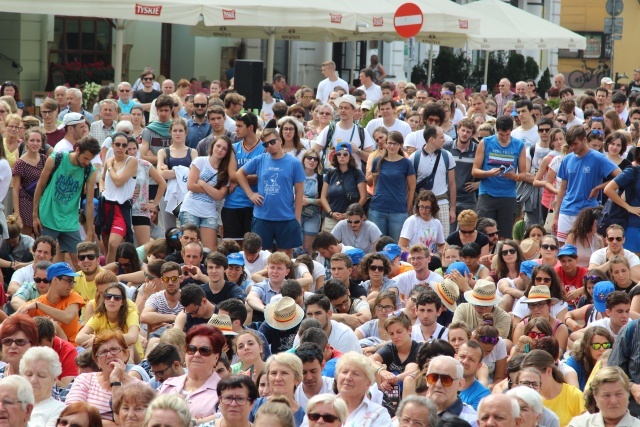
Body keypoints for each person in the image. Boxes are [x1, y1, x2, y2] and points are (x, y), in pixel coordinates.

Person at [236, 127, 305, 257]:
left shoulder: (294, 162)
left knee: (286, 255)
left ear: (280, 141)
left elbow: (299, 192)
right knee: (261, 254)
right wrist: (250, 194)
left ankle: (287, 278)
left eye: (272, 142)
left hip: (286, 217)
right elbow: (240, 173)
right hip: (262, 216)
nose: (270, 146)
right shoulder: (260, 159)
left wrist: (297, 217)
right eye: (266, 144)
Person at [32, 137, 100, 267]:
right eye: (85, 158)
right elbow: (40, 186)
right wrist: (35, 215)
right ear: (77, 150)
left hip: (70, 220)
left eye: (90, 160)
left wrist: (90, 230)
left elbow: (90, 202)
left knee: (80, 261)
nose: (86, 162)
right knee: (43, 260)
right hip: (48, 216)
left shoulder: (89, 170)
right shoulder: (56, 159)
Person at [553, 126, 620, 242]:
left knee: (586, 246)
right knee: (563, 248)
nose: (572, 147)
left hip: (587, 210)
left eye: (575, 144)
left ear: (584, 140)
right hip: (566, 210)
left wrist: (599, 187)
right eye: (570, 144)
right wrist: (555, 215)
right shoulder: (567, 159)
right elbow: (562, 189)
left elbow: (621, 175)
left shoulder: (598, 158)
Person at [65, 331, 141, 423]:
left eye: (114, 349)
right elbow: (72, 417)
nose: (109, 355)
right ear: (96, 361)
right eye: (103, 352)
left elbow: (127, 423)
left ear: (126, 354)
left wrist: (115, 382)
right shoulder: (84, 380)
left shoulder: (141, 388)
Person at [472, 115, 526, 239]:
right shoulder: (486, 142)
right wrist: (488, 173)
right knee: (483, 234)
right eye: (501, 134)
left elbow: (523, 174)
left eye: (507, 134)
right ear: (496, 130)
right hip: (487, 193)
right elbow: (474, 171)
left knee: (504, 236)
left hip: (508, 195)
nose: (504, 138)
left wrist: (514, 176)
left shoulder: (519, 145)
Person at [158, 324, 225, 423]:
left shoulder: (224, 391)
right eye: (192, 349)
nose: (197, 355)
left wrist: (195, 423)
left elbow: (225, 420)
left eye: (204, 351)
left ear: (216, 357)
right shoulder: (168, 385)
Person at [180, 135, 232, 251]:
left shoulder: (226, 171)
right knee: (188, 246)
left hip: (209, 213)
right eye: (218, 146)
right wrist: (213, 190)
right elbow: (191, 186)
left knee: (209, 250)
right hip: (190, 209)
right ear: (213, 146)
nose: (220, 150)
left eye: (224, 149)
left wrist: (202, 183)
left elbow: (219, 196)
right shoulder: (200, 161)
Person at [76, 283, 143, 361]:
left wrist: (98, 339)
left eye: (117, 298)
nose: (112, 300)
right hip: (108, 355)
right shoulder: (99, 316)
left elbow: (132, 337)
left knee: (126, 344)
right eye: (108, 297)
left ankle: (126, 371)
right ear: (104, 300)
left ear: (123, 302)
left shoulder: (130, 313)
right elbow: (79, 338)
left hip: (134, 359)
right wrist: (101, 341)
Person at [98, 132, 138, 262]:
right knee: (106, 247)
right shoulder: (110, 160)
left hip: (121, 208)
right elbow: (102, 179)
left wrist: (109, 167)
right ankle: (107, 276)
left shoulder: (131, 161)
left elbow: (119, 181)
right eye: (117, 144)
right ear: (112, 145)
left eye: (124, 145)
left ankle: (109, 275)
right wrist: (102, 190)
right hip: (106, 205)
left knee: (113, 244)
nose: (120, 147)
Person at [521, 350, 585, 427]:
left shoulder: (574, 395)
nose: (531, 386)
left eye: (535, 377)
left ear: (548, 371)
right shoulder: (530, 400)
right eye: (527, 382)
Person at [125, 137, 166, 246]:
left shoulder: (145, 165)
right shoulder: (118, 164)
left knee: (143, 247)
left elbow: (162, 183)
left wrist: (154, 204)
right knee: (124, 246)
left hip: (140, 209)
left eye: (134, 148)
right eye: (129, 149)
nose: (132, 152)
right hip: (123, 208)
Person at [568, 367, 640, 427]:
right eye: (606, 395)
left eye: (619, 394)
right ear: (595, 397)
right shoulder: (579, 424)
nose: (613, 401)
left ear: (628, 394)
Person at [249, 353, 305, 426]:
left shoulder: (303, 417)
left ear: (297, 379)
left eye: (284, 373)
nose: (278, 378)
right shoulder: (253, 406)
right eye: (273, 373)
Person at [12, 127, 48, 236]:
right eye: (32, 140)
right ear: (26, 142)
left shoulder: (44, 159)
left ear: (42, 143)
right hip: (25, 202)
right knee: (26, 236)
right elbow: (15, 190)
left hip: (41, 203)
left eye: (38, 141)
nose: (35, 143)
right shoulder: (20, 163)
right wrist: (17, 214)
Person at [425, 355, 478, 426]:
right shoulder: (416, 413)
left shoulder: (472, 421)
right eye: (433, 378)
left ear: (460, 384)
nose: (438, 384)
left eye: (446, 379)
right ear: (426, 381)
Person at [565, 326, 613, 391]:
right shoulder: (574, 362)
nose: (602, 349)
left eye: (605, 345)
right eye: (596, 345)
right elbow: (574, 395)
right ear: (587, 346)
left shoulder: (615, 361)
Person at [455, 340, 490, 410]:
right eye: (462, 356)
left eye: (471, 360)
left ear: (479, 366)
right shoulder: (441, 381)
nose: (465, 362)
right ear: (455, 357)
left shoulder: (483, 395)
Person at [0, 314, 37, 378]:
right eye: (8, 341)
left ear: (32, 345)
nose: (13, 346)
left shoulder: (41, 378)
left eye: (20, 341)